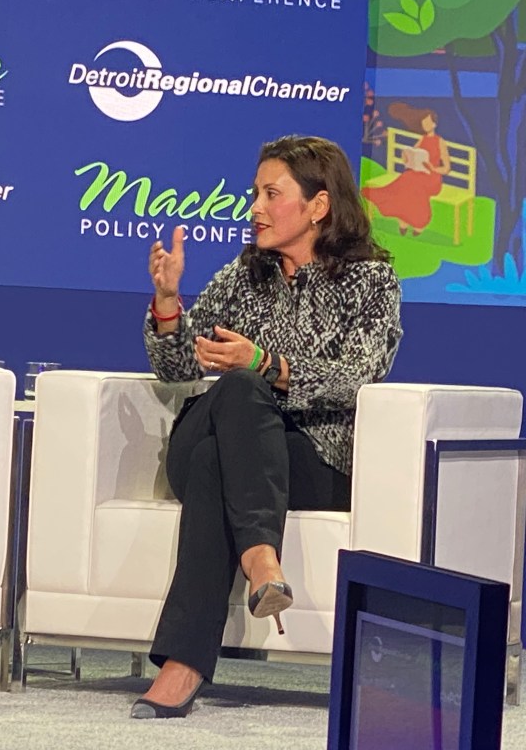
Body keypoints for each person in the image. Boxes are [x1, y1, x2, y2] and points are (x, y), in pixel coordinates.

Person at [133, 136, 402, 719]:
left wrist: (268, 364)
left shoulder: (371, 282)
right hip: (226, 428)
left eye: (271, 194)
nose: (255, 207)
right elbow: (179, 369)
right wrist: (169, 305)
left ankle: (183, 665)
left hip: (312, 459)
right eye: (255, 193)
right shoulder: (244, 274)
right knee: (238, 390)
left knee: (215, 461)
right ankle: (262, 561)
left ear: (318, 205)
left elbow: (359, 375)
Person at [361, 102, 450, 236]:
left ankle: (419, 223)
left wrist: (433, 168)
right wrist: (407, 157)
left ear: (434, 124)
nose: (426, 125)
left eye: (428, 122)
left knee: (414, 185)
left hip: (432, 177)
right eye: (424, 123)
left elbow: (446, 168)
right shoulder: (422, 139)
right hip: (416, 173)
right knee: (405, 180)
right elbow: (413, 154)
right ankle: (403, 219)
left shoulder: (440, 141)